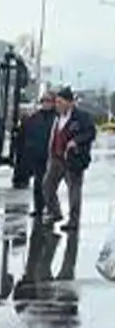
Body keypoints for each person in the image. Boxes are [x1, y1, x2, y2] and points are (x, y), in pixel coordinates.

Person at [42, 87, 96, 231]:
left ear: (69, 102)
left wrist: (76, 141)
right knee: (47, 186)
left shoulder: (81, 117)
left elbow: (91, 132)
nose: (57, 105)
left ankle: (73, 220)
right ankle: (55, 212)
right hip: (56, 158)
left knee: (74, 190)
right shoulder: (56, 116)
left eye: (60, 102)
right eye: (56, 102)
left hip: (73, 159)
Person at [20, 92, 57, 217]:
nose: (46, 103)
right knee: (38, 183)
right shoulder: (34, 118)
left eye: (49, 101)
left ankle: (51, 209)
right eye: (44, 101)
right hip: (37, 156)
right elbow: (27, 135)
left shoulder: (57, 118)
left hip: (53, 156)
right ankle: (39, 208)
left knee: (49, 184)